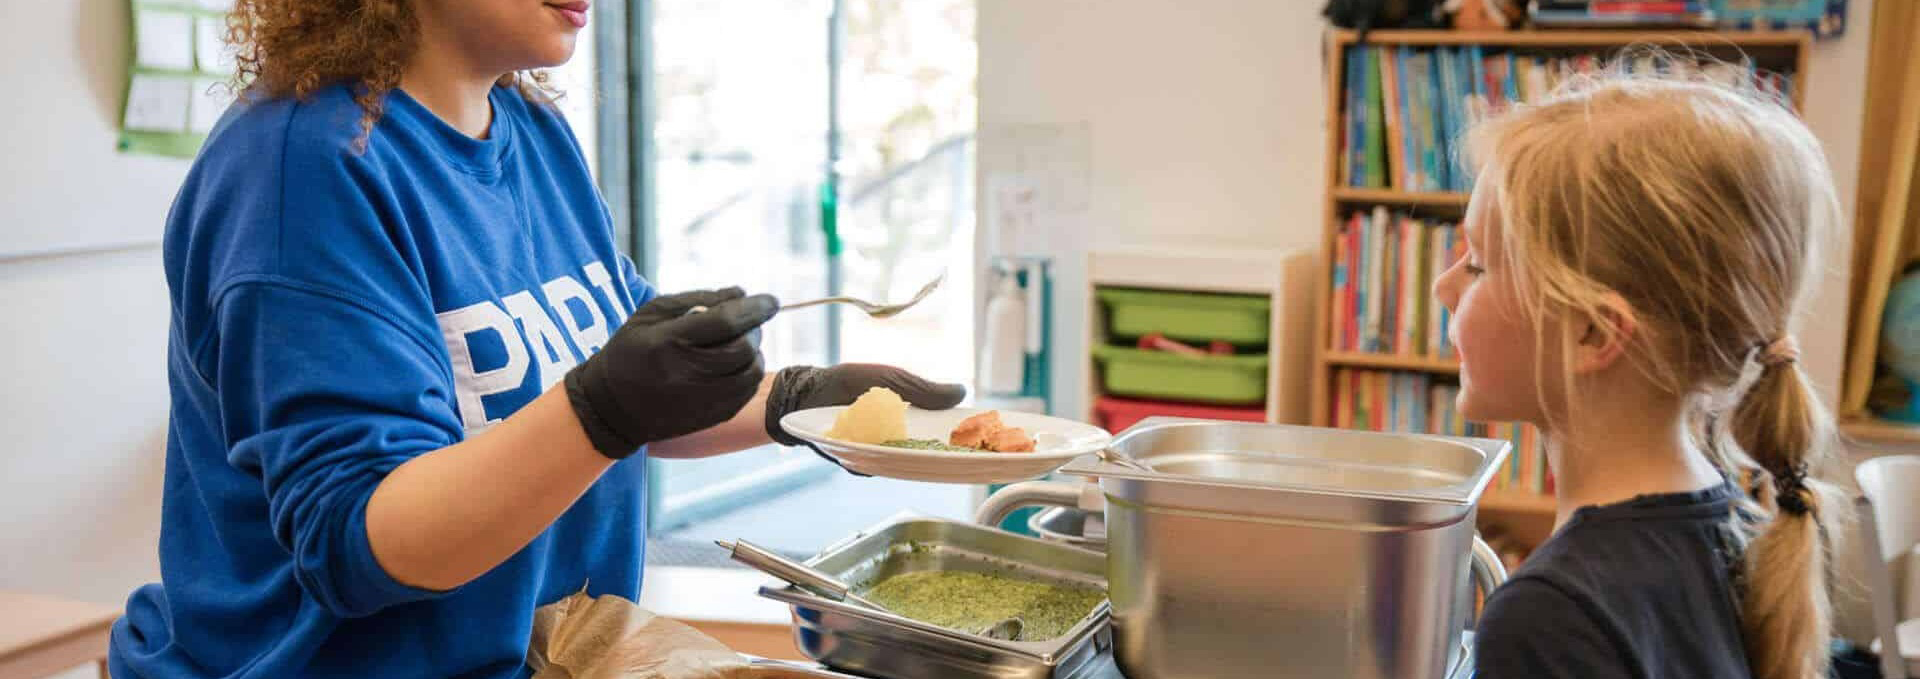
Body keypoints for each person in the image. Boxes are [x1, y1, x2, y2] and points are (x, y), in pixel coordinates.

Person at [107, 1, 963, 677]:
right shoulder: (306, 167)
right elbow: (362, 543)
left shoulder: (532, 132)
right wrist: (603, 407)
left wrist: (795, 403)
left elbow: (629, 393)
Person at [1432, 71, 1842, 679]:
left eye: (1480, 266)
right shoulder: (1743, 522)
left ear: (1593, 332)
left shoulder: (1551, 617)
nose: (1444, 286)